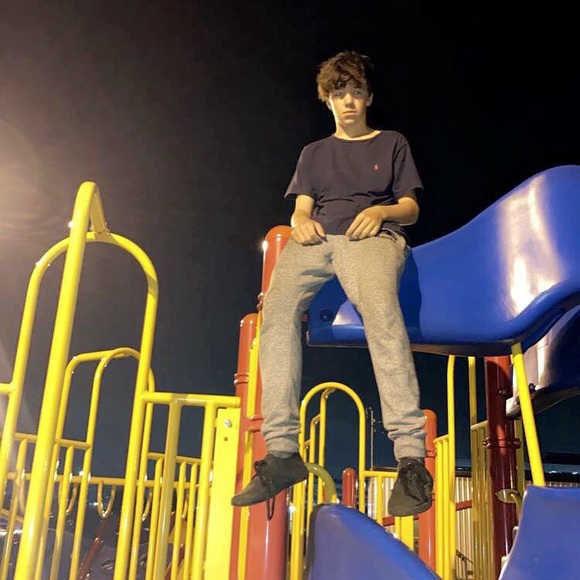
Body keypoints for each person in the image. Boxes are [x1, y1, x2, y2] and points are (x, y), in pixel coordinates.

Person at [232, 50, 433, 517]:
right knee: (275, 313)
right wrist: (300, 223)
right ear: (327, 100)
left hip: (371, 238)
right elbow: (301, 208)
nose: (349, 101)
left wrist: (380, 211)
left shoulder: (392, 143)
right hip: (319, 239)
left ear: (369, 98)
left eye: (357, 92)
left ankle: (410, 458)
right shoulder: (314, 153)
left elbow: (410, 208)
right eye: (340, 94)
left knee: (381, 315)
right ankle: (282, 452)